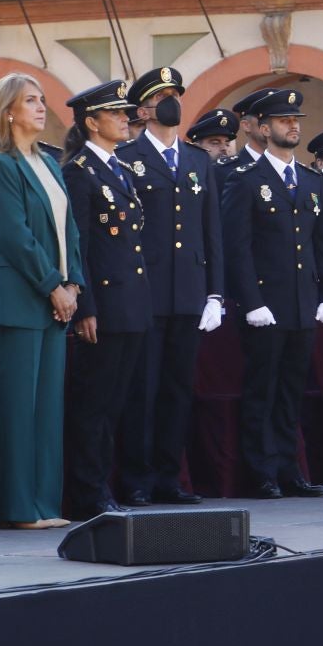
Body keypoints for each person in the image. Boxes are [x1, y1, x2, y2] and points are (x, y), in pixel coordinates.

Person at [0, 74, 85, 528]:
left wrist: (73, 283)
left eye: (41, 100)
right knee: (18, 410)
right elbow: (14, 237)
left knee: (47, 410)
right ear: (8, 112)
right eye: (30, 101)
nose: (41, 107)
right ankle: (19, 507)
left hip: (54, 299)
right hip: (17, 301)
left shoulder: (50, 164)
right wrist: (52, 285)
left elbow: (68, 230)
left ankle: (45, 505)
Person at [221, 88, 323, 498]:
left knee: (292, 392)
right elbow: (238, 248)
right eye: (284, 121)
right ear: (264, 128)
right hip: (266, 306)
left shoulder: (308, 180)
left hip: (304, 302)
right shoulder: (246, 181)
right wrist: (252, 302)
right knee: (262, 391)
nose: (293, 126)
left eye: (296, 120)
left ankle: (291, 470)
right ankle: (262, 472)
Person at [114, 67, 220, 506]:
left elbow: (210, 228)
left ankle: (168, 476)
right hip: (147, 290)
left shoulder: (197, 160)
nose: (172, 102)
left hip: (189, 291)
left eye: (176, 93)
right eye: (162, 96)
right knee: (144, 388)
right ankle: (136, 478)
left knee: (178, 388)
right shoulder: (127, 155)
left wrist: (214, 291)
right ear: (143, 109)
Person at [60, 81, 149, 521]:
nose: (125, 120)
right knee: (92, 405)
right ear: (91, 122)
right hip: (105, 306)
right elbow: (79, 245)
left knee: (115, 404)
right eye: (116, 114)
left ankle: (103, 486)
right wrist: (87, 306)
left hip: (130, 304)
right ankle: (87, 493)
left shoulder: (119, 170)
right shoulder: (79, 172)